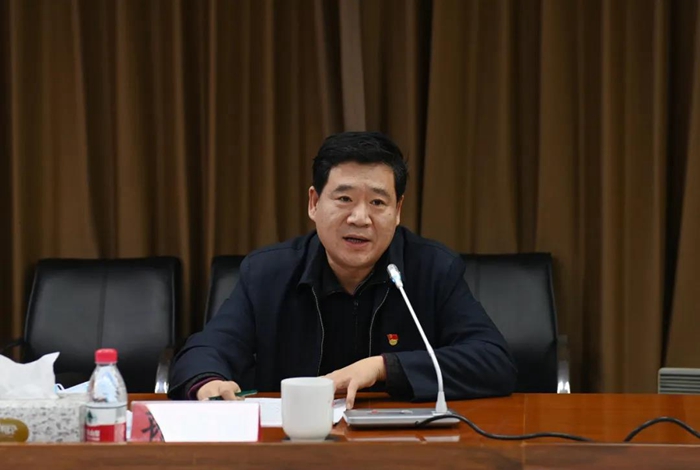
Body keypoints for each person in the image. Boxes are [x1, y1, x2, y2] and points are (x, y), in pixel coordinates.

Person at [168, 131, 517, 408]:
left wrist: (382, 367)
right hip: (294, 450)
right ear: (314, 203)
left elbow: (493, 361)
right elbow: (205, 351)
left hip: (401, 448)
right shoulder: (267, 273)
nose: (360, 218)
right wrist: (207, 382)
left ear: (398, 211)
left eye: (377, 202)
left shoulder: (433, 269)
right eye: (344, 199)